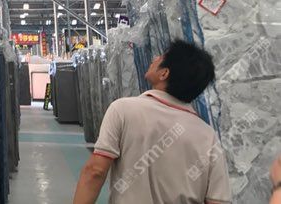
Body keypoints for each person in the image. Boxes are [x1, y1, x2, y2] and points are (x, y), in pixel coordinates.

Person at [73, 39, 231, 204]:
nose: (154, 59)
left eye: (160, 57)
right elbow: (217, 200)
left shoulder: (123, 110)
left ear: (164, 73)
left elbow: (95, 172)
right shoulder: (207, 135)